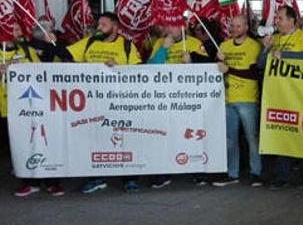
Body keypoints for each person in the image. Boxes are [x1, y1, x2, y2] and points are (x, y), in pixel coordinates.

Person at [67, 13, 142, 194]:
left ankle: (130, 178)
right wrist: (51, 41)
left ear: (115, 27)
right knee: (94, 139)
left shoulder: (126, 45)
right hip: (92, 101)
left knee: (124, 138)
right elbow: (66, 55)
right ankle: (96, 177)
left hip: (119, 101)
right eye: (98, 24)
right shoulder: (89, 42)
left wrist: (118, 67)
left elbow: (139, 71)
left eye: (103, 24)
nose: (99, 27)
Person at [257, 6, 303, 189]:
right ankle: (282, 176)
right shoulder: (274, 38)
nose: (277, 21)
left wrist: (284, 55)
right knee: (283, 134)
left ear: (291, 20)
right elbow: (260, 64)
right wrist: (266, 49)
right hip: (279, 96)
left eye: (280, 18)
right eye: (277, 18)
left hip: (300, 95)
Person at [1, 23, 63, 197]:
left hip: (32, 106)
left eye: (19, 28)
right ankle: (29, 181)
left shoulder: (28, 50)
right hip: (6, 109)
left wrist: (52, 43)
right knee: (21, 146)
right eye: (14, 29)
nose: (20, 32)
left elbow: (42, 70)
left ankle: (53, 182)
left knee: (44, 142)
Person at [147, 24, 210, 189]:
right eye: (165, 26)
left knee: (191, 134)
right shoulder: (159, 43)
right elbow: (150, 69)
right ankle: (164, 172)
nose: (167, 30)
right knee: (164, 135)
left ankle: (198, 170)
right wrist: (163, 49)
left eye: (172, 26)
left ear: (181, 27)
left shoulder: (194, 43)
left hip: (188, 99)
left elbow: (208, 69)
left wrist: (191, 63)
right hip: (165, 99)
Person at [212, 15, 264, 188]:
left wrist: (229, 69)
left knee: (252, 138)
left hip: (248, 99)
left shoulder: (254, 46)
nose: (234, 29)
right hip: (227, 99)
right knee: (230, 139)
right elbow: (218, 70)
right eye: (232, 26)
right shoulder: (224, 45)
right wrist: (217, 59)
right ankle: (232, 173)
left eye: (238, 26)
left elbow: (253, 73)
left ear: (246, 27)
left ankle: (256, 173)